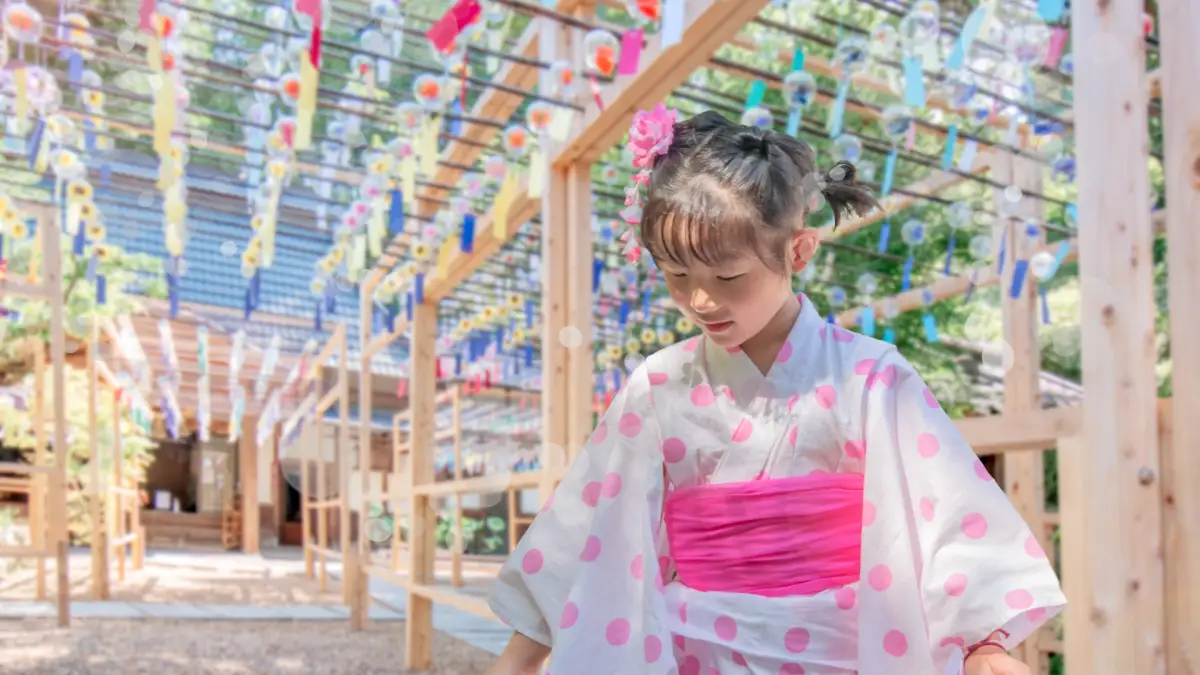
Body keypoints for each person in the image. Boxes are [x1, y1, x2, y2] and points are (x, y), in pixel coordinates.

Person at [485, 107, 1065, 675]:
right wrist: (520, 658)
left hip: (845, 645)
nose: (702, 300)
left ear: (798, 252)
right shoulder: (657, 386)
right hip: (698, 650)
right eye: (677, 275)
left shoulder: (870, 376)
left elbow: (945, 507)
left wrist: (981, 644)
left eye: (728, 277)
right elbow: (589, 524)